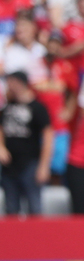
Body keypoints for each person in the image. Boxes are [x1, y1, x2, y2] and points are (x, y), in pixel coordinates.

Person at [0, 72, 52, 215]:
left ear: (19, 83)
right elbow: (1, 129)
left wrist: (44, 166)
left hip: (30, 163)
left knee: (34, 207)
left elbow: (48, 136)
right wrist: (1, 147)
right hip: (9, 165)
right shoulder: (7, 107)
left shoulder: (38, 107)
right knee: (11, 208)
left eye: (10, 82)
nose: (8, 86)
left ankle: (37, 237)